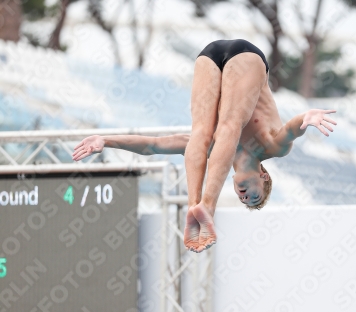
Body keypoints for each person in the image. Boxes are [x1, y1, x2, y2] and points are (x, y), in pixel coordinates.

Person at [73, 39, 336, 254]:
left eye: (243, 199)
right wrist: (306, 118)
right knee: (230, 124)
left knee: (201, 132)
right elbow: (291, 130)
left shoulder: (215, 152)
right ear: (263, 176)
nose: (245, 196)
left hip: (209, 55)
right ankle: (206, 207)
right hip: (248, 58)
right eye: (253, 195)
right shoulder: (270, 148)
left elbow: (153, 145)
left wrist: (106, 140)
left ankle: (194, 207)